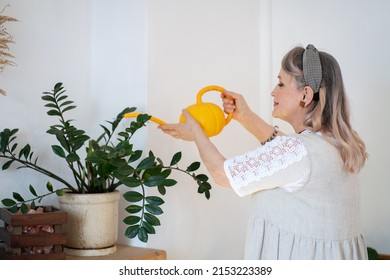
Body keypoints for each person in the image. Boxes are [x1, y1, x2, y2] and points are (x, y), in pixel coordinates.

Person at [158, 44, 368, 260]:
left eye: (281, 84)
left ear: (305, 95)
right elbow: (291, 159)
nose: (273, 92)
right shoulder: (334, 143)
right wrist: (245, 116)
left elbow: (222, 173)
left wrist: (196, 130)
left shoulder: (298, 150)